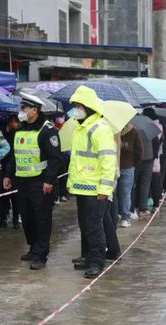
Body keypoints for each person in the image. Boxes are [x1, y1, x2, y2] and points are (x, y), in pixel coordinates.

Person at [3, 93, 62, 270]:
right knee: (27, 217)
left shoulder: (47, 130)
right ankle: (33, 247)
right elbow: (15, 155)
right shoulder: (20, 129)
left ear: (34, 110)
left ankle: (40, 255)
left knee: (42, 219)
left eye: (24, 108)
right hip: (22, 182)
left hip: (40, 182)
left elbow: (55, 158)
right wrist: (8, 175)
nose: (21, 111)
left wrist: (49, 180)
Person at [65, 86, 117, 278]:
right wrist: (71, 184)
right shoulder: (81, 128)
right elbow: (76, 161)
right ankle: (87, 256)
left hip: (95, 190)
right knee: (85, 226)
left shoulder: (100, 128)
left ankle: (97, 262)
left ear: (88, 107)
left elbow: (108, 161)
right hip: (81, 188)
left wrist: (104, 189)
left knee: (95, 228)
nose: (75, 109)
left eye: (78, 105)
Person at [117, 123, 143, 228]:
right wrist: (134, 164)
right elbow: (139, 151)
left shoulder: (111, 130)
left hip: (113, 166)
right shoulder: (134, 131)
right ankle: (125, 217)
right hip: (128, 167)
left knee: (113, 193)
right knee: (125, 193)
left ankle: (116, 215)